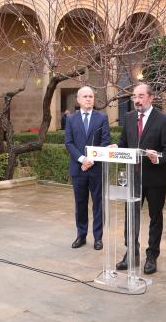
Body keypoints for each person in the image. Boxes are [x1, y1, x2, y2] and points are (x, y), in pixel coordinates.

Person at [111, 83, 166, 275]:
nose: (137, 100)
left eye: (141, 96)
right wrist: (116, 146)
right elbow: (124, 142)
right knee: (131, 217)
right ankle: (131, 253)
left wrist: (158, 157)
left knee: (155, 218)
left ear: (150, 98)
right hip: (132, 178)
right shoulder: (129, 118)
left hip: (155, 179)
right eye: (134, 96)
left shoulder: (164, 120)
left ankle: (152, 256)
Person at [64, 87, 110, 250]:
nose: (89, 99)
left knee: (98, 204)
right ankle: (81, 235)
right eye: (85, 96)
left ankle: (98, 238)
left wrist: (91, 159)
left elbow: (105, 142)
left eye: (91, 96)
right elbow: (69, 143)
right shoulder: (71, 119)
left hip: (96, 169)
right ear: (78, 100)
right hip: (78, 169)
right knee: (80, 204)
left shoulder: (102, 118)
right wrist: (82, 159)